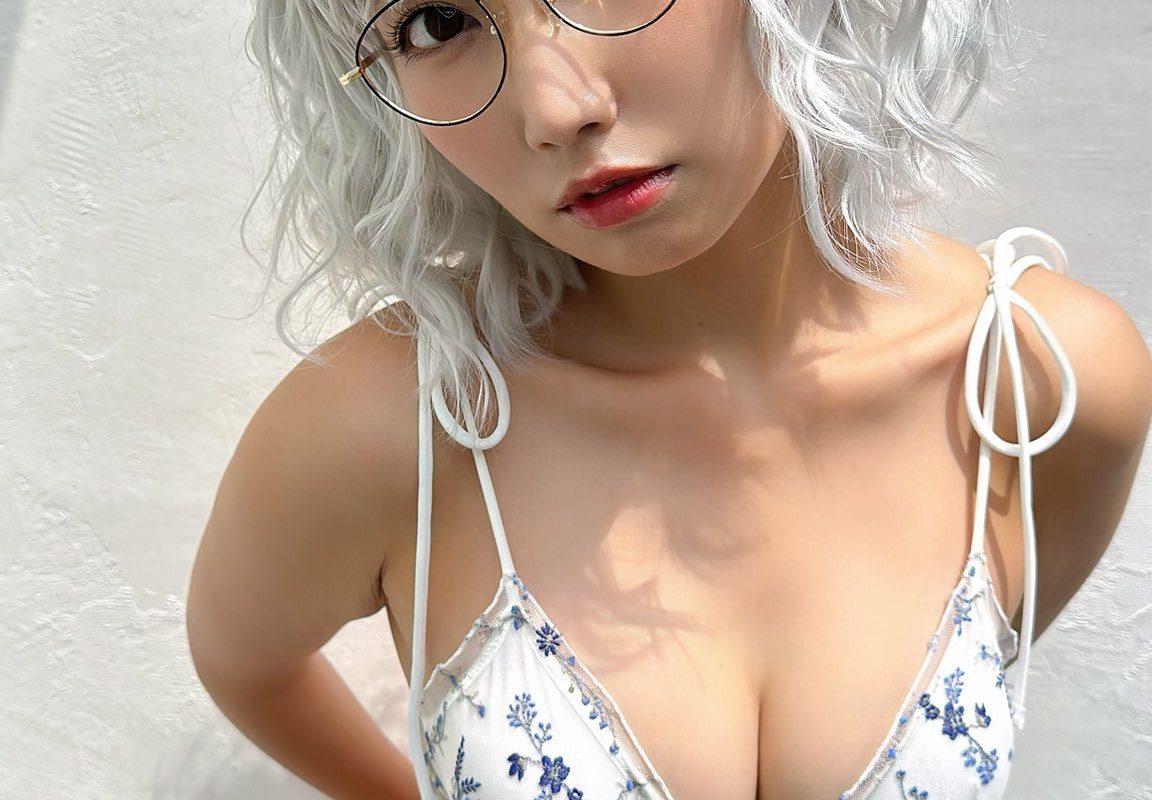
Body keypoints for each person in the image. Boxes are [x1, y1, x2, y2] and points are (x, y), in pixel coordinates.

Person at [185, 0, 1152, 797]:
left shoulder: (1044, 382)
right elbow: (245, 665)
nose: (556, 107)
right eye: (437, 23)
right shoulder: (397, 425)